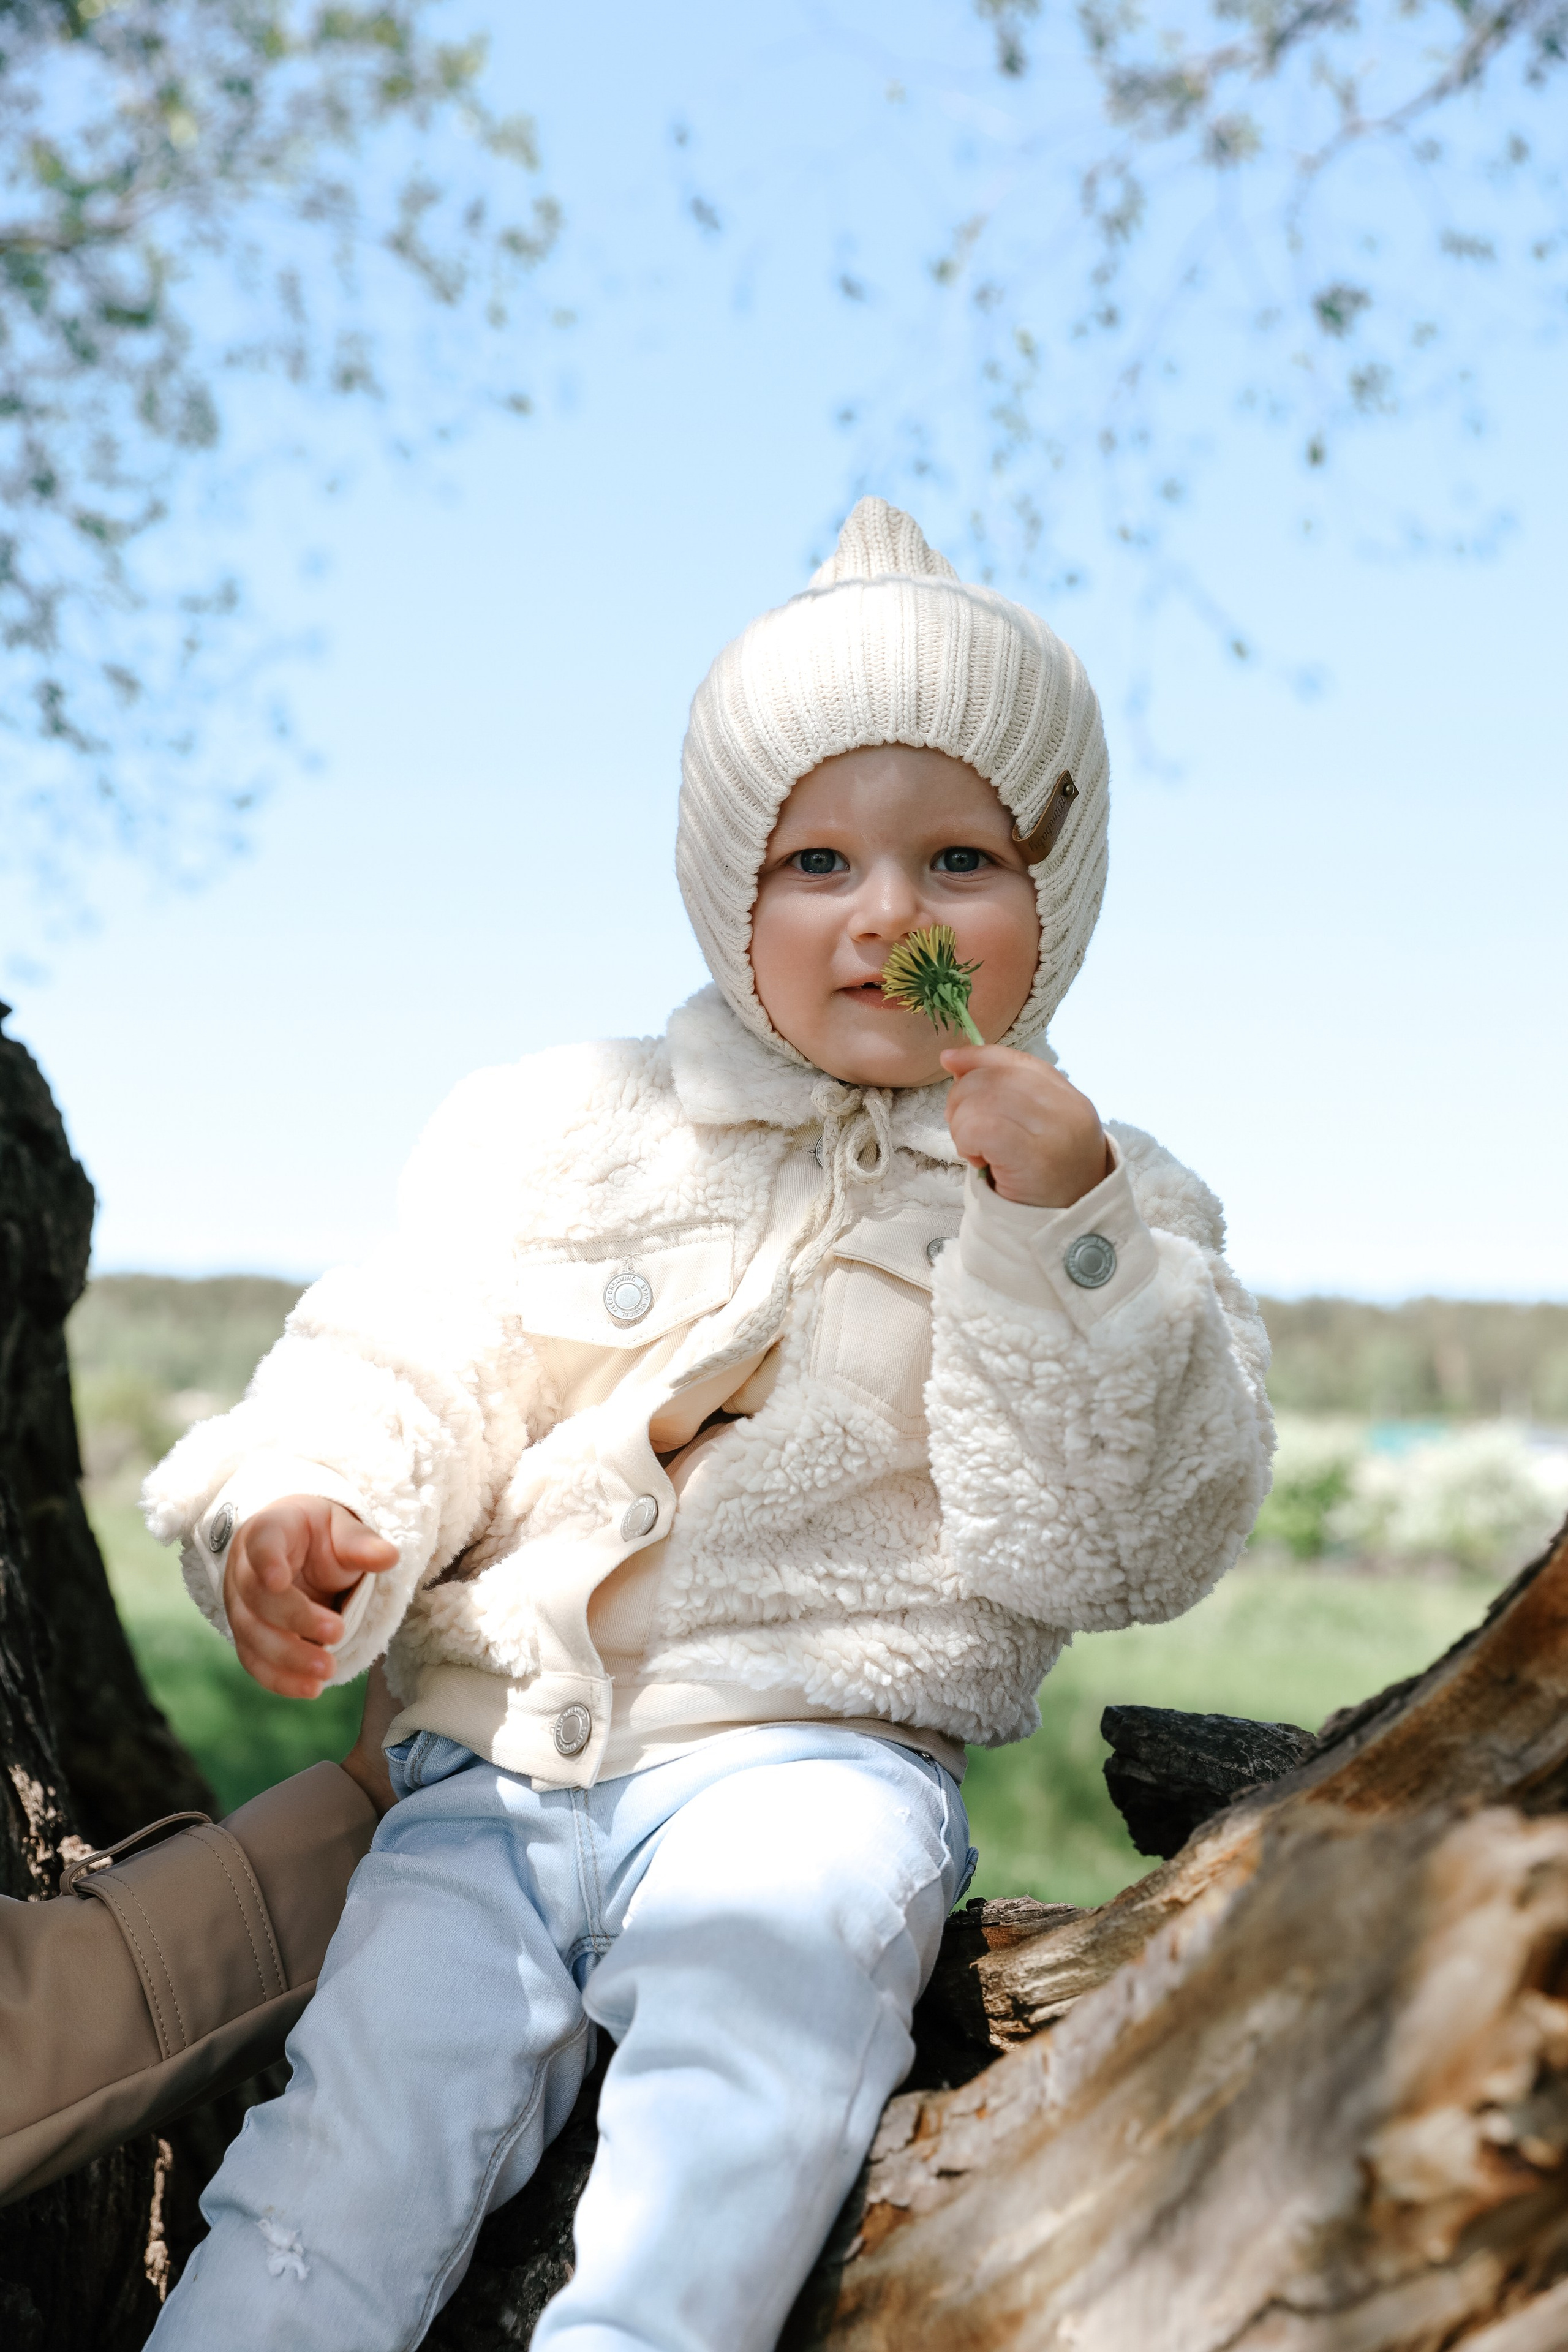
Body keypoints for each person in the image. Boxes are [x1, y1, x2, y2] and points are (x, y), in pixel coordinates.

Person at [142, 497, 1273, 2350]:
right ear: (725, 892)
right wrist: (313, 1499)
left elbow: (1134, 1534)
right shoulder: (567, 1124)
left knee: (742, 2105)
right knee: (344, 2155)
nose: (889, 913)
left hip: (810, 1764)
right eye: (817, 857)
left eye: (960, 860)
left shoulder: (1110, 1201)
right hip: (495, 1770)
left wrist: (1058, 1237)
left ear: (1052, 898)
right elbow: (406, 1350)